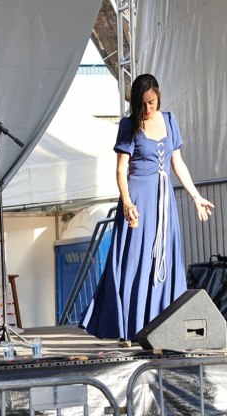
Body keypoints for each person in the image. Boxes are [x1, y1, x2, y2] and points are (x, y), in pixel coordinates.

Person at [80, 74, 214, 343]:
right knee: (135, 262)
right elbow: (121, 170)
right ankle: (131, 326)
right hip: (138, 200)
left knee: (164, 259)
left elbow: (177, 163)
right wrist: (127, 202)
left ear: (158, 96)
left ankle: (163, 326)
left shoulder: (170, 120)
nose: (148, 108)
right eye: (143, 104)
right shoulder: (129, 125)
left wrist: (195, 196)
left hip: (164, 201)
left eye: (152, 102)